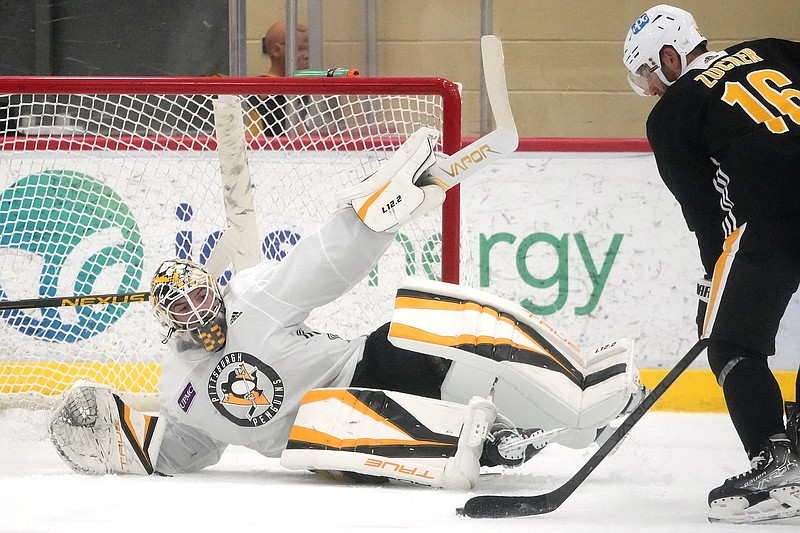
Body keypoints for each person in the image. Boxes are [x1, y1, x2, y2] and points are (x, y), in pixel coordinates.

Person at [48, 128, 645, 488]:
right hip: (329, 437)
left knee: (422, 318)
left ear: (214, 288)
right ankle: (504, 441)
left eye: (202, 293)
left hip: (363, 367)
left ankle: (577, 388)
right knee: (328, 422)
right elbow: (182, 449)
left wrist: (370, 216)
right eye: (183, 307)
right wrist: (114, 436)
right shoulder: (179, 383)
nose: (199, 310)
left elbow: (318, 263)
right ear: (167, 323)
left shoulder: (253, 297)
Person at [623, 4, 800, 523]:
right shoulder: (772, 50)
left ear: (670, 58)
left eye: (648, 76)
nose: (651, 90)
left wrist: (713, 278)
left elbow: (707, 211)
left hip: (773, 216)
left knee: (729, 341)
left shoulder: (674, 112)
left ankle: (780, 465)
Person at [246, 20, 309, 137]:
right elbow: (250, 144)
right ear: (276, 50)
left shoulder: (313, 94)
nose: (307, 55)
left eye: (309, 49)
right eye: (300, 49)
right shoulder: (258, 98)